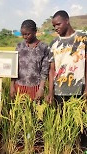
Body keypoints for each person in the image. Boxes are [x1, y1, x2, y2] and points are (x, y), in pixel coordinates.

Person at [46, 10, 87, 150]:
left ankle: (81, 149)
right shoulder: (54, 43)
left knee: (82, 124)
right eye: (54, 26)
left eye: (58, 24)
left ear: (67, 21)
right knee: (64, 124)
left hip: (79, 90)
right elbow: (52, 70)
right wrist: (51, 92)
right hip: (60, 91)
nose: (56, 28)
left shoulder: (83, 38)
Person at [10, 19, 49, 101]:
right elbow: (14, 67)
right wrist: (12, 86)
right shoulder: (19, 46)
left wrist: (41, 89)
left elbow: (44, 71)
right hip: (19, 86)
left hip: (36, 87)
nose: (25, 37)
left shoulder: (43, 47)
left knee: (36, 112)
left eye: (28, 34)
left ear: (35, 31)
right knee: (21, 112)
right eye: (23, 34)